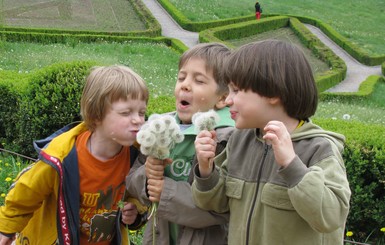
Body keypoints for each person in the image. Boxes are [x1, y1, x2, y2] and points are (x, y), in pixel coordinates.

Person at [192, 40, 351, 244]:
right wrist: (206, 170)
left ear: (273, 93)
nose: (228, 99)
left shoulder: (318, 149)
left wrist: (292, 166)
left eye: (237, 90)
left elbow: (331, 217)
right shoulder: (240, 141)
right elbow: (217, 204)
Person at [0, 65, 149, 245]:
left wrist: (134, 212)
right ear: (96, 115)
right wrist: (6, 229)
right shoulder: (61, 157)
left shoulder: (137, 154)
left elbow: (138, 193)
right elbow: (26, 193)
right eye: (126, 113)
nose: (138, 120)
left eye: (142, 112)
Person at [126, 43, 234, 245]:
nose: (185, 85)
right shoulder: (160, 129)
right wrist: (147, 178)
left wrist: (165, 192)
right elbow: (132, 180)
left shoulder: (225, 139)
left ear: (222, 98)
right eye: (181, 77)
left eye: (199, 80)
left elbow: (223, 207)